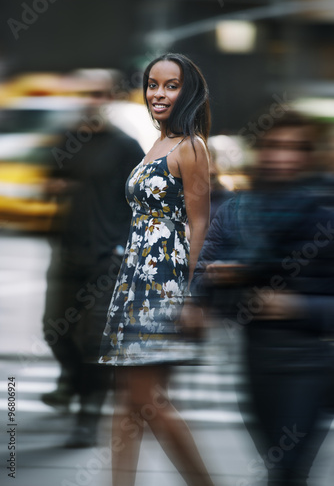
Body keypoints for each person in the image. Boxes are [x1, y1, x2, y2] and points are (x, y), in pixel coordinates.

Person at [190, 111, 334, 486]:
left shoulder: (325, 211)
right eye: (274, 146)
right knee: (277, 464)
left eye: (295, 148)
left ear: (310, 155)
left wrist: (296, 306)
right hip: (257, 358)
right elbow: (209, 268)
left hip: (312, 360)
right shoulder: (242, 208)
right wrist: (211, 292)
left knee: (286, 469)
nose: (282, 158)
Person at [99, 53, 215, 486]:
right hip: (134, 283)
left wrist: (192, 294)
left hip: (164, 286)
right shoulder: (155, 144)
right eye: (153, 84)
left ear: (187, 92)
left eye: (170, 85)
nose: (158, 94)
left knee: (149, 401)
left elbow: (200, 221)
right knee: (128, 400)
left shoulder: (191, 147)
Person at [41, 69, 144, 447]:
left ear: (112, 99)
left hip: (107, 258)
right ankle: (70, 379)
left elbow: (139, 203)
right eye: (87, 93)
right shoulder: (68, 138)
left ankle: (87, 416)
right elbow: (51, 179)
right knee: (55, 329)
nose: (93, 100)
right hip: (67, 252)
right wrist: (55, 186)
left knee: (92, 342)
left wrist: (124, 247)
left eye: (101, 94)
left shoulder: (126, 146)